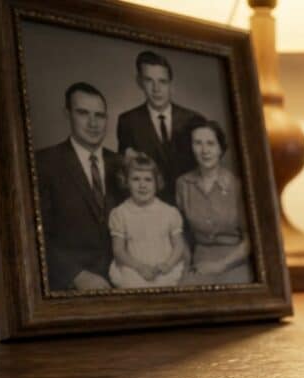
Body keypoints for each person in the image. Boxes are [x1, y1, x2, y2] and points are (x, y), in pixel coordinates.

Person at [36, 82, 123, 291]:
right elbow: (34, 232)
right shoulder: (43, 163)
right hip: (69, 286)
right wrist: (75, 275)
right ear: (67, 114)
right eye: (83, 113)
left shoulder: (122, 164)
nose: (93, 123)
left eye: (99, 115)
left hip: (123, 279)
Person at [116, 50, 204, 206]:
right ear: (139, 82)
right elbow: (126, 174)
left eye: (162, 81)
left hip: (192, 205)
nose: (156, 89)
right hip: (149, 208)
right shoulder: (128, 122)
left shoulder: (194, 120)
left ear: (171, 83)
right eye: (149, 81)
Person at [176, 119, 254, 285]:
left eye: (211, 143)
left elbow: (252, 239)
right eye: (198, 143)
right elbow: (180, 232)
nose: (205, 151)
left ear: (220, 148)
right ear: (191, 147)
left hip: (236, 260)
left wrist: (221, 265)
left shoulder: (237, 186)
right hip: (200, 259)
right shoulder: (183, 184)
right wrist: (187, 264)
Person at [108, 153, 187, 288]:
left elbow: (179, 245)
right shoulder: (120, 213)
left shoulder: (169, 212)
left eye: (148, 179)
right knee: (133, 285)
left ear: (157, 183)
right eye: (136, 179)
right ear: (126, 182)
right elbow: (118, 250)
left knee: (168, 286)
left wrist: (168, 264)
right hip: (134, 268)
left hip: (164, 267)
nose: (142, 185)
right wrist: (139, 267)